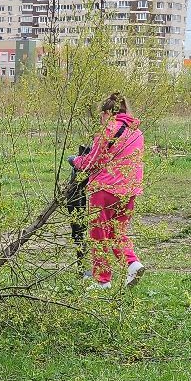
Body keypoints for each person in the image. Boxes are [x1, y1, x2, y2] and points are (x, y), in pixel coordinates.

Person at [70, 92, 146, 289]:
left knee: (99, 233)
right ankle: (132, 263)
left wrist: (75, 161)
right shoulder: (137, 133)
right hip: (129, 191)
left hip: (105, 189)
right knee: (117, 231)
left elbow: (91, 161)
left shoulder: (108, 130)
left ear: (106, 113)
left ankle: (102, 280)